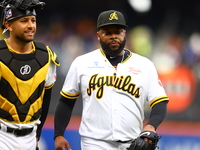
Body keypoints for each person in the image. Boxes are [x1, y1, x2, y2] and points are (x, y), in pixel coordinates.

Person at [54, 10, 169, 150]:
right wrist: (58, 134)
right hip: (94, 142)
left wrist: (151, 125)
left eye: (118, 32)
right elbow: (66, 100)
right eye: (107, 32)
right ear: (98, 35)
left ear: (124, 33)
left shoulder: (144, 65)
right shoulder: (82, 63)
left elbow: (160, 100)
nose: (113, 36)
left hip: (132, 143)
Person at [0, 0, 60, 150]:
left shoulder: (46, 56)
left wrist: (38, 135)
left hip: (31, 137)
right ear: (9, 25)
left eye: (33, 20)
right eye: (24, 21)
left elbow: (46, 100)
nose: (31, 25)